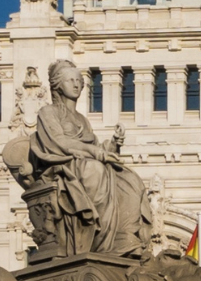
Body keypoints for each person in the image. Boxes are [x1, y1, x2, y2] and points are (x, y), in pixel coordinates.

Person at [32, 60, 153, 259]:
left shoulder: (82, 119)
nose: (76, 84)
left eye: (78, 80)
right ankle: (100, 242)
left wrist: (113, 145)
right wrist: (97, 153)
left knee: (130, 180)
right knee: (95, 170)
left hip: (86, 163)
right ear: (58, 85)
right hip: (63, 165)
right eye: (70, 80)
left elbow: (96, 147)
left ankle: (123, 237)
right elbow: (59, 142)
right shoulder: (48, 112)